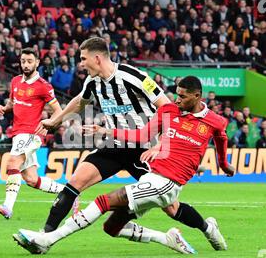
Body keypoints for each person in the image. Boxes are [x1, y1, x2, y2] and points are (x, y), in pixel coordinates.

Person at [13, 76, 234, 255]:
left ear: (197, 96)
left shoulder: (214, 121)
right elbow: (142, 135)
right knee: (111, 227)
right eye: (177, 94)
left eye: (183, 97)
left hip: (169, 182)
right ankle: (176, 236)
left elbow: (222, 141)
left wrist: (224, 165)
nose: (177, 100)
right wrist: (106, 131)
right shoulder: (168, 111)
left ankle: (47, 239)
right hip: (152, 177)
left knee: (103, 201)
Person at [31, 36, 171, 234]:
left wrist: (161, 143)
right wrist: (55, 121)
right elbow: (80, 101)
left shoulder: (134, 76)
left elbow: (167, 107)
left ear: (97, 58)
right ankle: (44, 236)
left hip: (144, 148)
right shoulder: (92, 81)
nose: (80, 64)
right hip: (114, 145)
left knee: (170, 206)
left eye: (83, 59)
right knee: (74, 183)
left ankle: (207, 228)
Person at [0, 48, 65, 219]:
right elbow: (12, 103)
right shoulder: (15, 81)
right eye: (23, 61)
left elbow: (59, 111)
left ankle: (8, 207)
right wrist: (4, 108)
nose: (26, 64)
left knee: (12, 163)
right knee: (31, 179)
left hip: (31, 133)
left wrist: (50, 125)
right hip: (18, 133)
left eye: (30, 61)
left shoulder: (43, 86)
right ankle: (68, 193)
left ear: (37, 62)